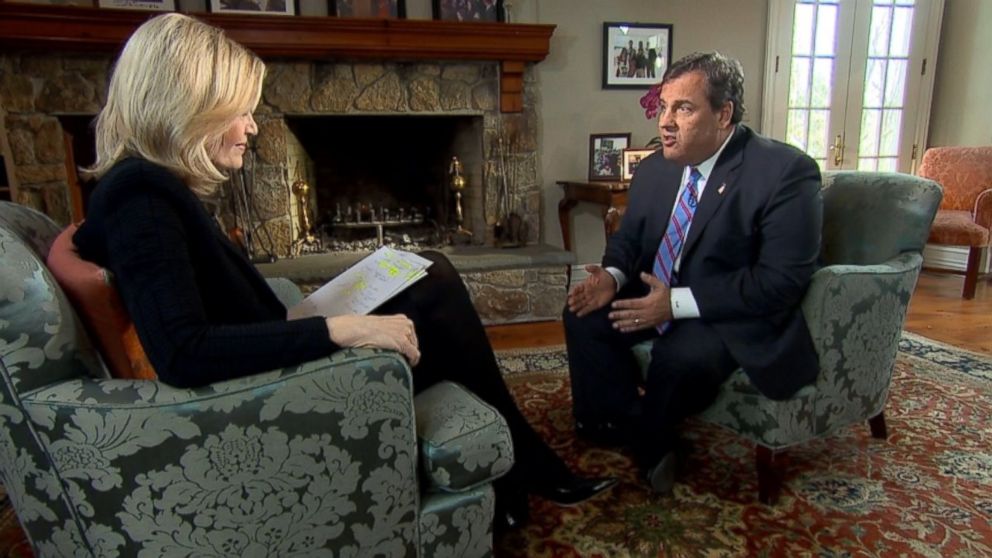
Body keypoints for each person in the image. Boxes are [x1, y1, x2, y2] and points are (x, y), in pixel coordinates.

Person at [74, 13, 615, 532]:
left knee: (431, 270)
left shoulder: (145, 188)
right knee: (439, 305)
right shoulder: (141, 199)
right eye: (238, 111)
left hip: (275, 340)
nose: (253, 127)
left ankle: (513, 473)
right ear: (190, 108)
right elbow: (183, 352)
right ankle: (523, 470)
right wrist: (345, 328)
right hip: (275, 390)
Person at [563, 51, 822, 494]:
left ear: (724, 115)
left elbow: (780, 282)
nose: (666, 121)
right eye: (664, 106)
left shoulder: (784, 173)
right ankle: (627, 425)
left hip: (724, 311)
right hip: (657, 293)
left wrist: (674, 304)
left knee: (681, 359)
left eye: (683, 108)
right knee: (582, 315)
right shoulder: (654, 168)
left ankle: (646, 440)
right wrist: (612, 277)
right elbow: (630, 242)